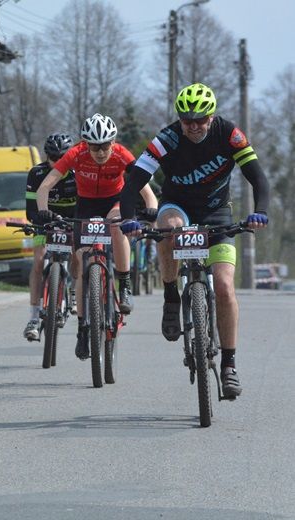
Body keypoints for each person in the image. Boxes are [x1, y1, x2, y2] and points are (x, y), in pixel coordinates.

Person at [119, 83, 269, 398]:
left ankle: (229, 365)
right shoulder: (167, 138)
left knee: (226, 288)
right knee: (169, 229)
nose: (194, 126)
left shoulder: (229, 135)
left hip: (217, 213)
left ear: (211, 116)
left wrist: (261, 212)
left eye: (200, 119)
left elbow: (257, 176)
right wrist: (129, 217)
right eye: (187, 120)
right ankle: (172, 296)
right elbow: (135, 180)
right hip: (178, 206)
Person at [35, 113, 157, 360]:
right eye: (94, 147)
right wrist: (43, 211)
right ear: (85, 144)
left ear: (113, 142)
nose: (100, 152)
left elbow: (147, 192)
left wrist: (152, 211)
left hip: (115, 201)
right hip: (87, 206)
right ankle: (82, 327)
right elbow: (45, 186)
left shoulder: (123, 155)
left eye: (105, 146)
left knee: (116, 225)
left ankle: (124, 286)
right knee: (81, 264)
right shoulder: (76, 154)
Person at [23, 133, 78, 341]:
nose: (57, 162)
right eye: (53, 158)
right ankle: (34, 316)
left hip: (72, 221)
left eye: (63, 157)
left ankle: (72, 289)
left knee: (78, 254)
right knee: (38, 260)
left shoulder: (77, 173)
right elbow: (30, 211)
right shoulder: (36, 174)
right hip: (43, 222)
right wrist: (43, 217)